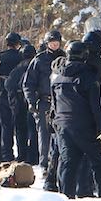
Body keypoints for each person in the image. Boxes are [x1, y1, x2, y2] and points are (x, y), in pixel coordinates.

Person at [52, 40, 101, 198]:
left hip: (63, 125)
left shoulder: (58, 77)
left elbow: (54, 104)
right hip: (86, 127)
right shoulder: (89, 77)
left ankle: (65, 199)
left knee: (68, 165)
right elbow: (96, 107)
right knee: (100, 163)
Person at [23, 30, 64, 169]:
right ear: (47, 44)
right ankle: (44, 165)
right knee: (44, 135)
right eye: (52, 43)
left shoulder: (65, 58)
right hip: (44, 102)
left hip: (61, 102)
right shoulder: (39, 60)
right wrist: (32, 101)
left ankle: (58, 164)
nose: (54, 45)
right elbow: (28, 83)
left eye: (56, 42)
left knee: (60, 135)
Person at [7, 43, 37, 164]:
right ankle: (34, 156)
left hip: (19, 103)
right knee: (34, 130)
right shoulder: (36, 66)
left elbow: (8, 85)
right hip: (34, 101)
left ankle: (22, 155)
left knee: (21, 130)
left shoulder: (17, 69)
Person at [0, 33, 24, 161]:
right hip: (19, 94)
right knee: (20, 125)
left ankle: (6, 154)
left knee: (5, 125)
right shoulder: (21, 57)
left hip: (3, 94)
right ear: (18, 44)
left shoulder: (0, 57)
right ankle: (22, 153)